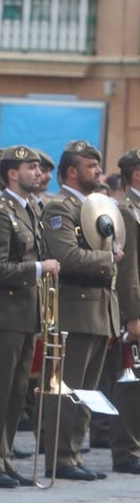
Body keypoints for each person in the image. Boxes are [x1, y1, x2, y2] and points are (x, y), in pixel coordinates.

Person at [0, 146, 55, 489]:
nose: (38, 173)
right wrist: (38, 268)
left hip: (25, 315)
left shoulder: (30, 209)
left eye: (38, 167)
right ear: (11, 174)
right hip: (2, 316)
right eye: (31, 167)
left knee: (16, 394)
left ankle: (3, 458)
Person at [38, 140, 120, 481]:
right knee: (67, 388)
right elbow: (67, 258)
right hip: (75, 309)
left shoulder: (97, 206)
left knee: (88, 390)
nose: (98, 172)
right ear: (72, 171)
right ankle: (59, 458)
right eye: (91, 167)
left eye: (98, 166)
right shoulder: (60, 208)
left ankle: (74, 452)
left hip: (101, 310)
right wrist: (108, 259)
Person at [111, 148, 140, 475]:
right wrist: (133, 315)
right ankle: (127, 450)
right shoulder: (128, 211)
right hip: (136, 309)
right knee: (132, 382)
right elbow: (129, 269)